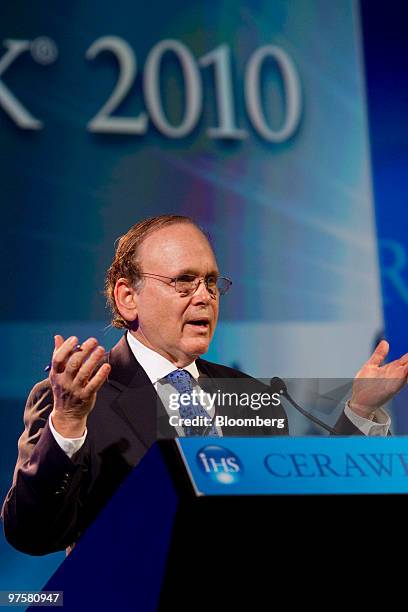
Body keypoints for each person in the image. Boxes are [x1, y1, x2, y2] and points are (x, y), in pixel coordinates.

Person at [2, 214, 407, 555]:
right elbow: (32, 535)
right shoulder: (82, 398)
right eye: (184, 281)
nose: (205, 297)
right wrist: (69, 422)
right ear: (128, 297)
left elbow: (303, 508)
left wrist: (360, 412)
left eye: (211, 282)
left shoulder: (247, 395)